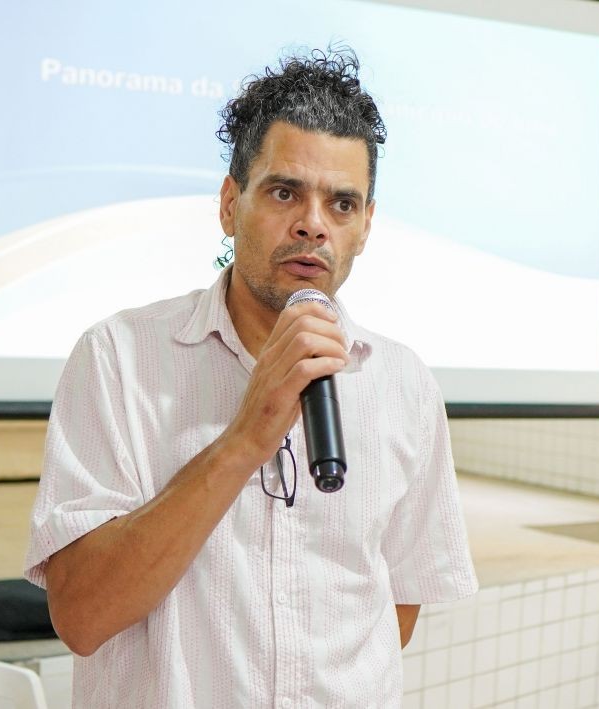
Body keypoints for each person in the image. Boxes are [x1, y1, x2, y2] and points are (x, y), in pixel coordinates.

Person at [24, 47, 478, 708]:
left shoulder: (403, 384)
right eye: (285, 192)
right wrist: (244, 439)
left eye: (342, 203)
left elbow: (394, 611)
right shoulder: (118, 358)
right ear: (229, 203)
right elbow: (82, 615)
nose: (313, 224)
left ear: (365, 227)